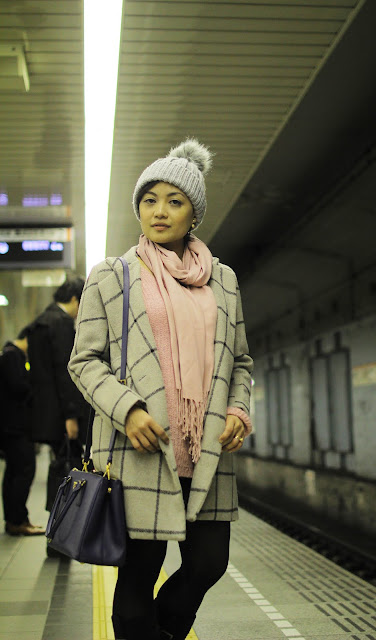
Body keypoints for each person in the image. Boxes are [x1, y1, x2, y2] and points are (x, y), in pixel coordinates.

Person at [68, 139, 253, 640]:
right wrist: (127, 410)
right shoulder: (113, 275)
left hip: (207, 449)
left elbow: (239, 361)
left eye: (175, 200)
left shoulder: (224, 281)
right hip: (141, 449)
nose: (160, 211)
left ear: (194, 213)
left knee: (208, 564)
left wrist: (239, 406)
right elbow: (84, 362)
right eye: (150, 199)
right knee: (135, 584)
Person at [27, 276, 88, 455]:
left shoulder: (40, 322)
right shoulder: (61, 323)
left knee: (58, 463)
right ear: (74, 299)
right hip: (61, 414)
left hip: (45, 411)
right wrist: (71, 416)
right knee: (67, 468)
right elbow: (64, 371)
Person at [0, 328, 45, 536]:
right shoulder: (12, 355)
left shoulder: (10, 354)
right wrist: (34, 386)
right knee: (23, 471)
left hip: (11, 427)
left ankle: (16, 519)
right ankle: (17, 520)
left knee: (14, 472)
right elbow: (18, 386)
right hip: (15, 427)